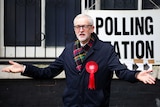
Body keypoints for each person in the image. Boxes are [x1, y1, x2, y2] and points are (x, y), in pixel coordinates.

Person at [1, 14, 156, 107]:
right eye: (77, 27)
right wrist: (24, 69)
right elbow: (48, 72)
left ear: (92, 28)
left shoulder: (105, 49)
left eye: (84, 26)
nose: (80, 30)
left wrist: (136, 75)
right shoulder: (69, 50)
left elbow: (121, 71)